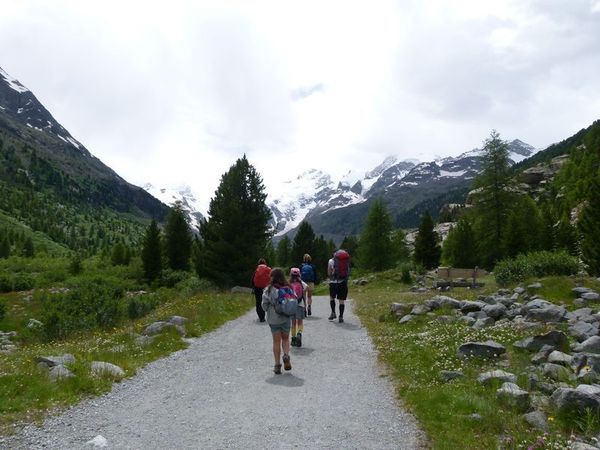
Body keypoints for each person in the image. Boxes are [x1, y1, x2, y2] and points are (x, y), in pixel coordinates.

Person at [261, 268, 292, 374]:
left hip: (273, 319)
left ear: (272, 277)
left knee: (276, 342)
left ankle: (277, 365)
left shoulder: (268, 289)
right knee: (286, 339)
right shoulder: (288, 287)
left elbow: (264, 306)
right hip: (286, 317)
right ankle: (286, 355)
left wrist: (269, 309)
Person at [327, 249, 351, 323]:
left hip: (333, 282)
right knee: (341, 301)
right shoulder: (345, 261)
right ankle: (341, 316)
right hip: (343, 282)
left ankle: (333, 312)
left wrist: (332, 275)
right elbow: (348, 271)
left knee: (332, 298)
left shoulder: (331, 261)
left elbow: (329, 273)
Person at [289, 267, 308, 347]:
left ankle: (293, 339)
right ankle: (299, 333)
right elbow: (307, 287)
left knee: (293, 323)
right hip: (300, 304)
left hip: (292, 305)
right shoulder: (301, 282)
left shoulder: (289, 283)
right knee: (300, 321)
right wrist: (303, 291)